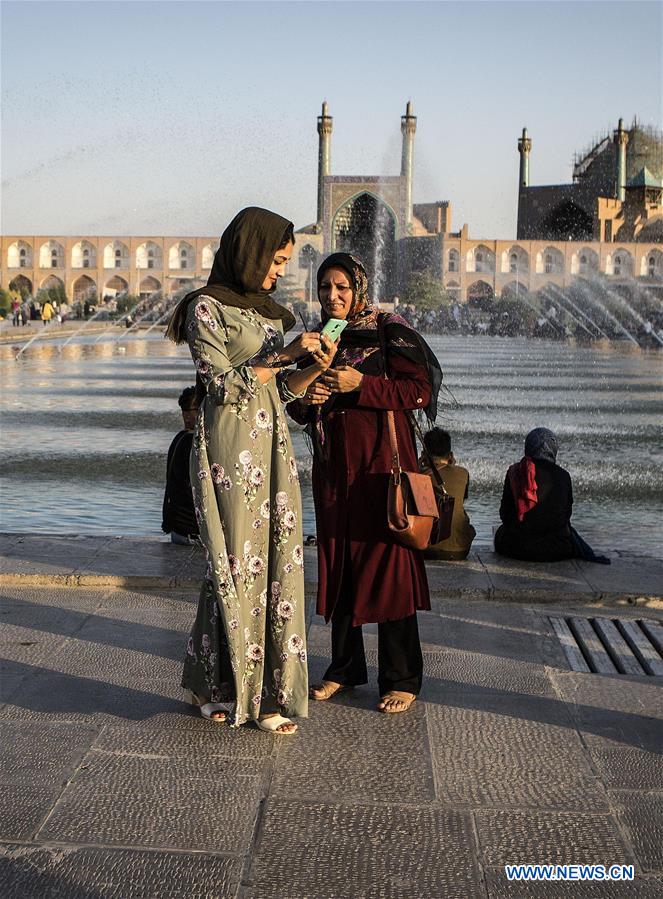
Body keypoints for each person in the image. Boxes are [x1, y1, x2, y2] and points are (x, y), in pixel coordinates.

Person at [166, 207, 336, 734]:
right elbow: (219, 385)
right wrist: (286, 354)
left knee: (275, 566)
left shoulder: (267, 314)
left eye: (284, 263)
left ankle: (268, 695)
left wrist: (313, 369)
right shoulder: (206, 310)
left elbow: (275, 392)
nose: (278, 272)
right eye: (274, 260)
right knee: (235, 563)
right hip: (228, 450)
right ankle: (217, 686)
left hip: (271, 448)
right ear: (250, 251)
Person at [287, 252, 442, 714]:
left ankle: (402, 676)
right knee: (342, 568)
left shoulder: (388, 329)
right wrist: (310, 393)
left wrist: (361, 385)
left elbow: (420, 391)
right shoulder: (316, 340)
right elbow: (296, 406)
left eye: (341, 287)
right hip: (336, 473)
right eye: (324, 288)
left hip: (381, 472)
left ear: (359, 287)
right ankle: (344, 667)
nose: (331, 297)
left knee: (389, 568)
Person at [494, 427, 609, 563]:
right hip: (556, 550)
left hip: (517, 548)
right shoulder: (563, 476)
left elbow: (505, 514)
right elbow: (565, 515)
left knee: (500, 533)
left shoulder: (516, 472)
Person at [419, 427, 476, 560]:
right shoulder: (463, 473)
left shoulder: (417, 475)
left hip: (424, 548)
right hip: (459, 550)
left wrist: (417, 465)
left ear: (424, 453)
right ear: (450, 455)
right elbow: (460, 502)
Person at [162, 386, 199, 545]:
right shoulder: (193, 443)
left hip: (179, 531)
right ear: (187, 414)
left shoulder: (180, 438)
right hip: (192, 535)